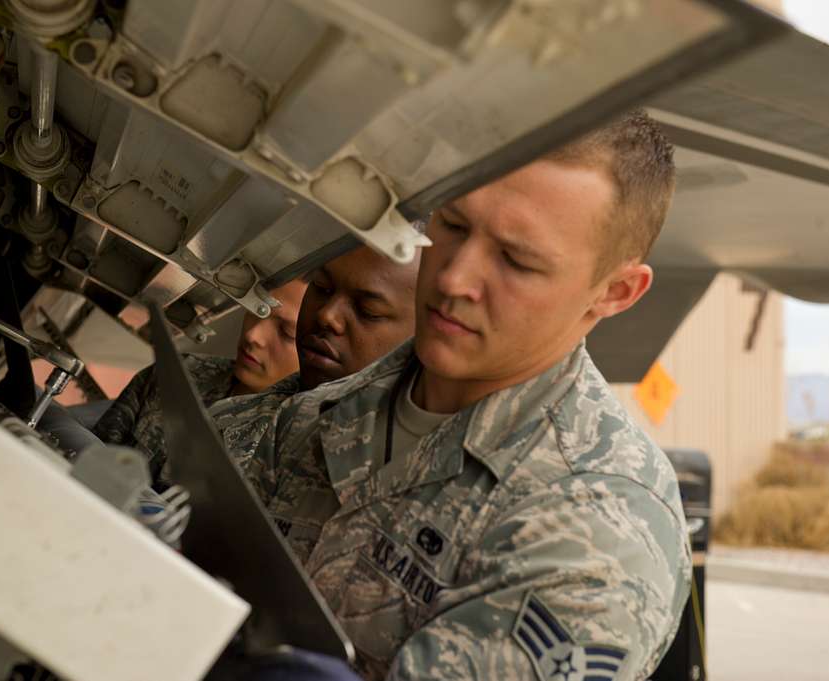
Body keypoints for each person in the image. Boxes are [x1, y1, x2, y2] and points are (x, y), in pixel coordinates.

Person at [243, 111, 692, 681]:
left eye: (516, 260)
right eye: (453, 226)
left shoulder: (599, 531)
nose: (454, 277)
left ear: (613, 292)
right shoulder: (320, 414)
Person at [208, 244, 420, 468]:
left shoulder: (402, 468)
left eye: (368, 311)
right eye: (322, 287)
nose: (327, 315)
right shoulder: (228, 419)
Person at [92, 277, 308, 466]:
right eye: (255, 311)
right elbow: (91, 456)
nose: (253, 335)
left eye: (287, 332)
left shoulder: (290, 449)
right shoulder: (179, 373)